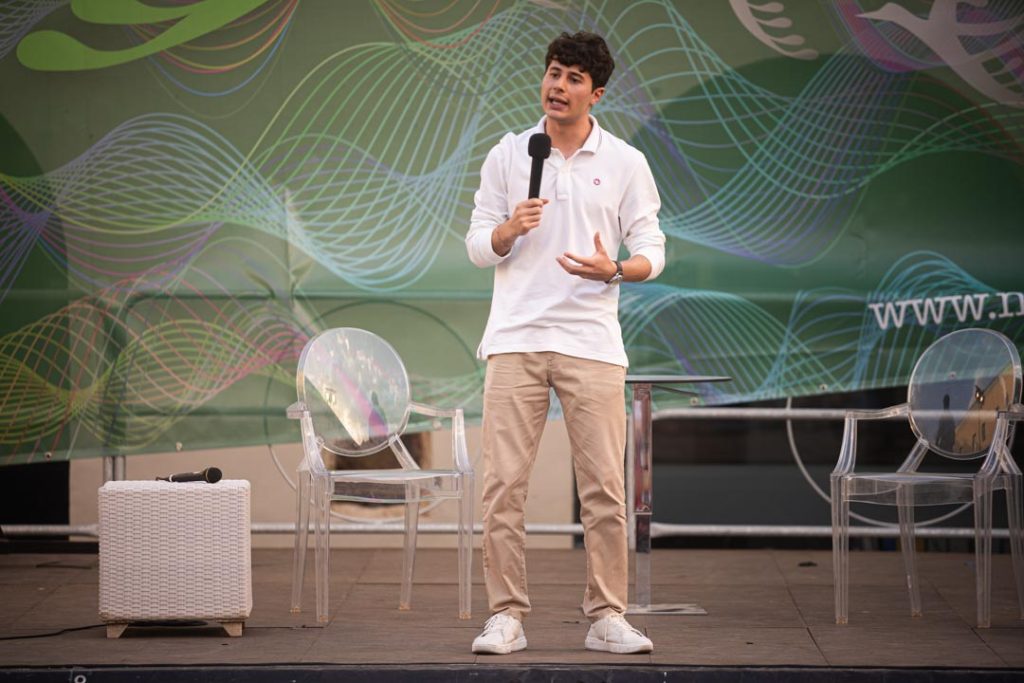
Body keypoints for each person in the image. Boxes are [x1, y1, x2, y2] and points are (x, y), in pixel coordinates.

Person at [465, 31, 665, 655]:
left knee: (604, 488)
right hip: (515, 337)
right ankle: (505, 615)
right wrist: (506, 231)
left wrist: (616, 270)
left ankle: (607, 616)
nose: (558, 86)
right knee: (502, 486)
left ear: (596, 93)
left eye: (574, 78)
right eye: (554, 72)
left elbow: (652, 248)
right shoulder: (509, 152)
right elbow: (476, 244)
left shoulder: (626, 161)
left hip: (592, 341)